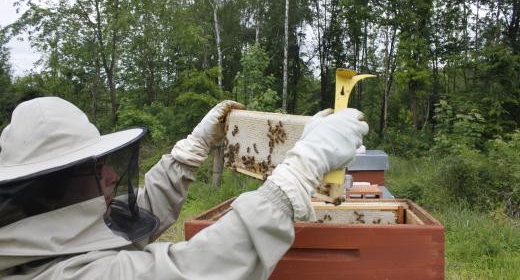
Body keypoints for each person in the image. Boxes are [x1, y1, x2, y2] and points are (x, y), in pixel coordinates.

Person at [0, 96, 368, 279]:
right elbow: (194, 270)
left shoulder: (41, 232)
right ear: (53, 183)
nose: (112, 176)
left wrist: (189, 153)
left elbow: (132, 217)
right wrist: (300, 170)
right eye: (96, 169)